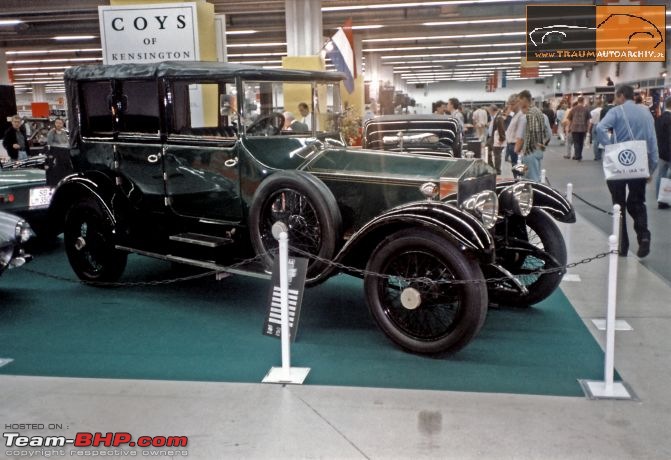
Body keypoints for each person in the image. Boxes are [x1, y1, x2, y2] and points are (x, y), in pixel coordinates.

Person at [596, 84, 659, 258]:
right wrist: (651, 168)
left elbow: (600, 128)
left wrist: (610, 148)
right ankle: (644, 236)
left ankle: (622, 246)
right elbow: (653, 141)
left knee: (619, 205)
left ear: (621, 96)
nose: (615, 100)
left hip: (619, 164)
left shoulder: (616, 111)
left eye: (616, 96)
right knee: (637, 202)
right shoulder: (646, 113)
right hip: (639, 163)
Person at [514, 90, 550, 182]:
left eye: (518, 101)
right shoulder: (543, 116)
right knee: (536, 176)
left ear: (523, 101)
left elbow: (520, 138)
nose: (517, 103)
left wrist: (516, 150)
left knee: (530, 180)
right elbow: (548, 135)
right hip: (538, 152)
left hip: (528, 153)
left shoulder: (524, 118)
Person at [655, 96, 671, 209]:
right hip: (669, 152)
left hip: (661, 152)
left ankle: (660, 199)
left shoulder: (659, 118)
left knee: (660, 175)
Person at [566, 96, 590, 161]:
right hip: (583, 128)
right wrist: (588, 129)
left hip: (574, 128)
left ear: (578, 101)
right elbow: (588, 120)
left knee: (576, 142)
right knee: (581, 142)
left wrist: (568, 127)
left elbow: (569, 119)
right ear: (583, 101)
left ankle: (577, 155)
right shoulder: (586, 109)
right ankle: (579, 155)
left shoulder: (573, 109)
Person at [504, 93, 522, 166]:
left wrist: (517, 149)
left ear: (518, 103)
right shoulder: (514, 114)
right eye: (509, 104)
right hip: (511, 144)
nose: (511, 107)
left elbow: (521, 134)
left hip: (516, 145)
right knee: (514, 168)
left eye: (512, 104)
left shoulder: (521, 115)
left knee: (518, 169)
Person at [488, 105, 506, 175]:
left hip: (496, 139)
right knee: (488, 151)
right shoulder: (494, 117)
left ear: (492, 110)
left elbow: (501, 129)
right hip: (491, 138)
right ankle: (491, 167)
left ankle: (497, 170)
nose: (489, 112)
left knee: (497, 155)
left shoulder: (499, 117)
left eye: (489, 110)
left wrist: (501, 138)